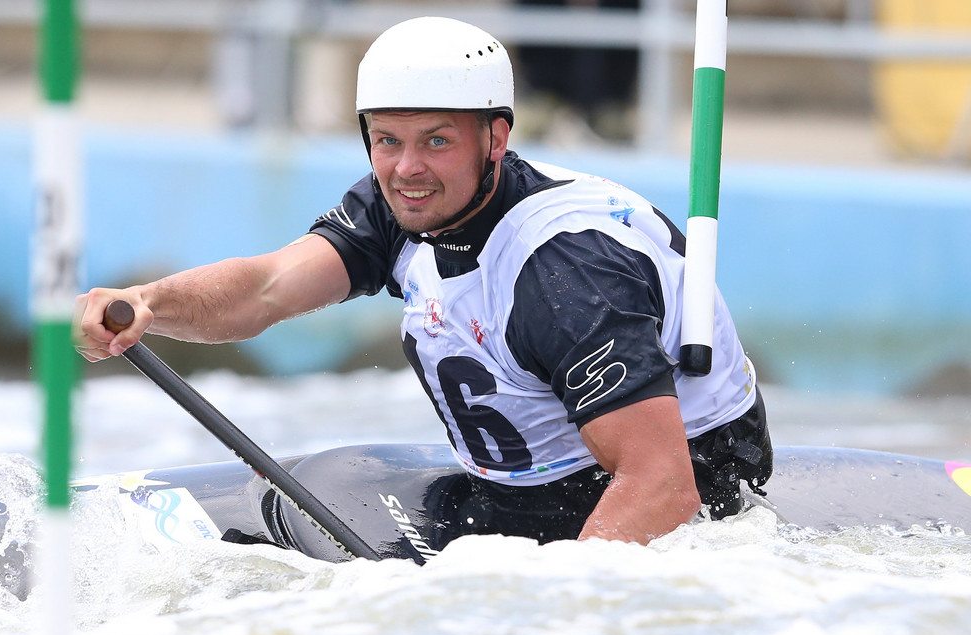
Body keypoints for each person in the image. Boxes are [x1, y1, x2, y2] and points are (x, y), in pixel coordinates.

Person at [74, 16, 773, 546]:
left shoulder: (564, 273)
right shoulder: (404, 203)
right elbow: (265, 288)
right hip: (519, 489)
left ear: (495, 138)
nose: (407, 168)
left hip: (676, 484)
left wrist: (558, 620)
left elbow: (661, 486)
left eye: (437, 140)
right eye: (387, 140)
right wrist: (146, 304)